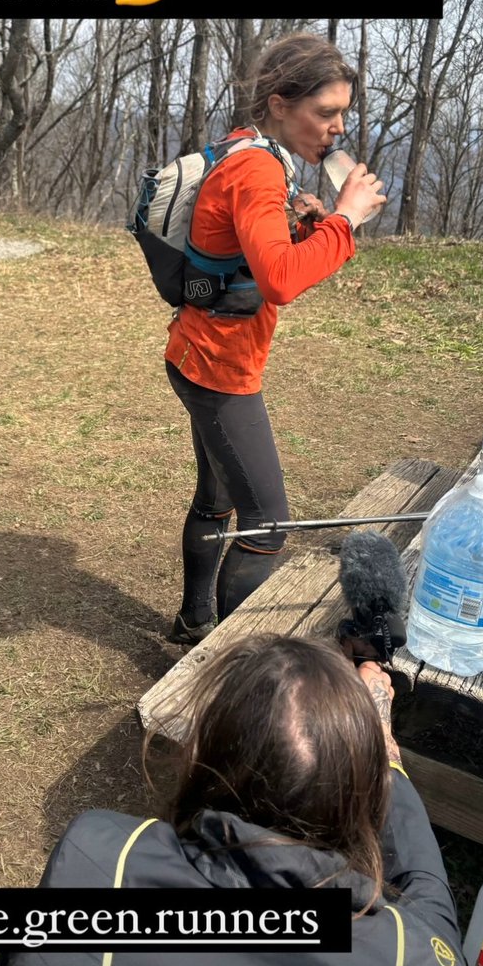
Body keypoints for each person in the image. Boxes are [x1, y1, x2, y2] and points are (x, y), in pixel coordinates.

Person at [0, 635, 470, 966]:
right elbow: (431, 910)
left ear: (204, 758)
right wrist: (385, 755)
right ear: (359, 799)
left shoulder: (98, 861)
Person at [165, 32, 387, 645]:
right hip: (219, 369)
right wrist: (345, 220)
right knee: (267, 523)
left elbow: (248, 248)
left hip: (192, 350)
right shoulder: (259, 171)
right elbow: (281, 280)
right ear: (281, 103)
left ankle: (193, 625)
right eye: (326, 112)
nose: (338, 127)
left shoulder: (247, 149)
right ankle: (235, 672)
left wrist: (305, 222)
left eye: (343, 112)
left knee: (216, 499)